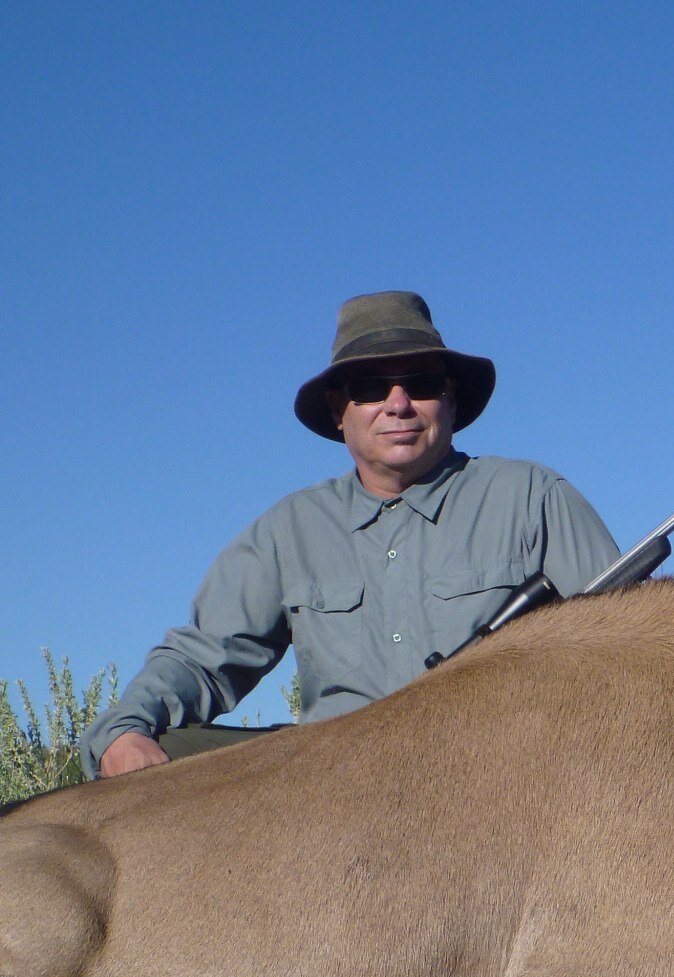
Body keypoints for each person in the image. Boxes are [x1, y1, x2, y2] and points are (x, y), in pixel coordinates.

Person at [79, 291, 620, 778]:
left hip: (501, 768)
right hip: (332, 780)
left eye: (422, 384)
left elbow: (627, 644)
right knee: (162, 752)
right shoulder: (288, 530)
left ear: (451, 399)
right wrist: (125, 730)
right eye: (370, 388)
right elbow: (202, 659)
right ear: (339, 411)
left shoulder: (532, 497)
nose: (398, 404)